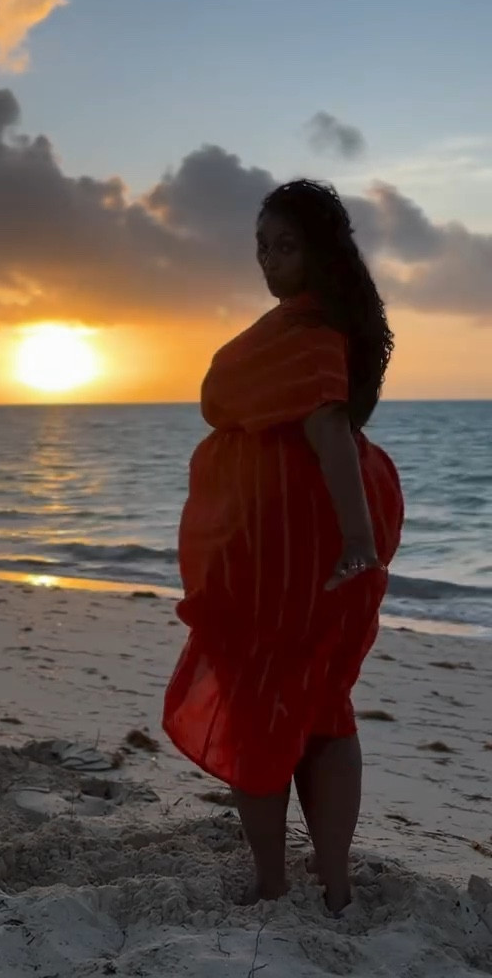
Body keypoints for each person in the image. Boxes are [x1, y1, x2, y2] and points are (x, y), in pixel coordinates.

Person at [162, 179, 404, 915]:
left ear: (322, 250)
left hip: (294, 540)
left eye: (285, 245)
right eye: (262, 246)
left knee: (257, 694)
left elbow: (328, 428)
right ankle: (334, 885)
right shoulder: (324, 322)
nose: (268, 260)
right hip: (306, 528)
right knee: (320, 700)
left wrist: (358, 539)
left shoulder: (313, 329)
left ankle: (275, 880)